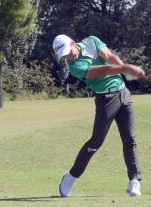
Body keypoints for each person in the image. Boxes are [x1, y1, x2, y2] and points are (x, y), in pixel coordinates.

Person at [52, 34, 145, 197]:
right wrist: (126, 68)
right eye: (64, 56)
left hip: (124, 93)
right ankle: (71, 176)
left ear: (73, 43)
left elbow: (109, 57)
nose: (68, 56)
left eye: (68, 52)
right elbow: (104, 70)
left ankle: (134, 181)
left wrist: (125, 70)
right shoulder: (75, 68)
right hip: (106, 100)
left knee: (130, 139)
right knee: (96, 142)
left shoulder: (91, 41)